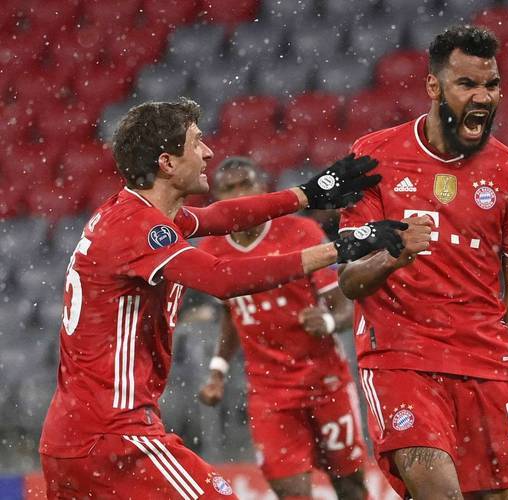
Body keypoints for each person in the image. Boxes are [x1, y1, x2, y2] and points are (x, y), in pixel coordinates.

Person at [39, 98, 412, 499]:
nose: (207, 152)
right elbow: (223, 279)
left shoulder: (134, 213)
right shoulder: (140, 227)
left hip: (72, 436)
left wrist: (307, 194)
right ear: (167, 162)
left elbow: (220, 218)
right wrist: (340, 247)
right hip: (113, 434)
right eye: (196, 142)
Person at [336, 26, 508, 499]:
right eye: (467, 84)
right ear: (433, 87)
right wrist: (393, 255)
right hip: (402, 361)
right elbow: (349, 279)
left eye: (492, 85)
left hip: (489, 363)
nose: (483, 97)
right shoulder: (373, 156)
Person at [197, 157, 368, 500]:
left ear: (264, 188)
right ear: (217, 199)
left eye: (246, 184)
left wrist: (328, 322)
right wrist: (218, 370)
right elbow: (234, 313)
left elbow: (344, 305)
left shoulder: (301, 232)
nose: (240, 195)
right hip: (269, 392)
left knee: (350, 486)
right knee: (291, 492)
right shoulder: (211, 249)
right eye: (229, 188)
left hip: (325, 382)